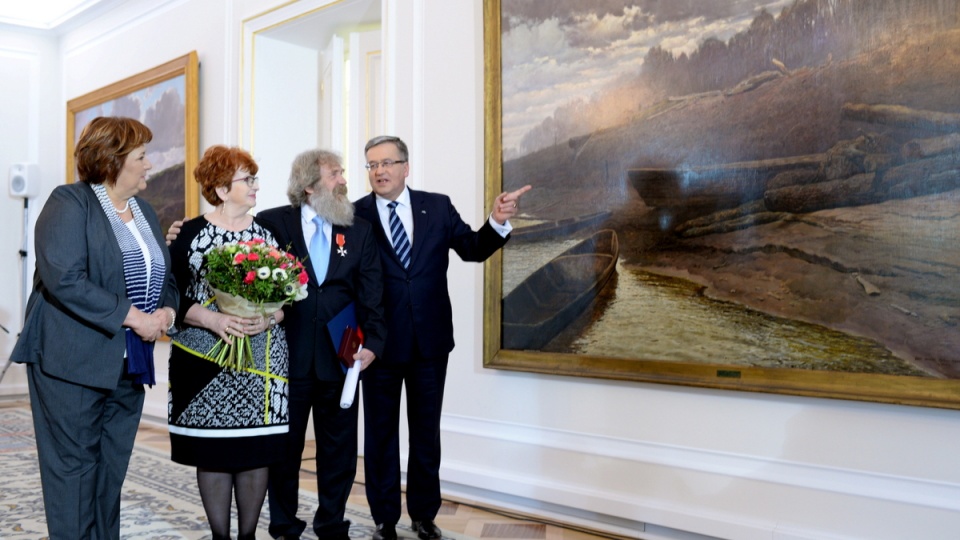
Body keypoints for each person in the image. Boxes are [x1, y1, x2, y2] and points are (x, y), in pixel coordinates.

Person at [354, 135, 531, 540]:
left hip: (430, 344)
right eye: (371, 165)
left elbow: (472, 248)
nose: (378, 171)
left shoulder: (437, 206)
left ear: (405, 167)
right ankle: (384, 519)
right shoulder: (353, 214)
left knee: (425, 432)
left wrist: (497, 220)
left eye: (386, 163)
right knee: (380, 435)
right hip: (377, 347)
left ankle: (422, 515)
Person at [10, 116, 178, 540]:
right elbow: (65, 278)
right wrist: (134, 317)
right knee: (73, 474)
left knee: (109, 473)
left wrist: (167, 314)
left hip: (128, 365)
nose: (149, 165)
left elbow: (165, 276)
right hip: (70, 360)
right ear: (112, 160)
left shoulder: (142, 210)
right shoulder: (69, 202)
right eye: (141, 156)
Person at [255, 148, 388, 540]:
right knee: (283, 452)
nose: (344, 180)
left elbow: (372, 294)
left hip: (343, 356)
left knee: (340, 452)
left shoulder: (358, 229)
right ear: (309, 185)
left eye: (342, 172)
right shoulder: (272, 223)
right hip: (286, 358)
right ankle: (284, 524)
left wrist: (374, 343)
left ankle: (332, 523)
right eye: (335, 174)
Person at [167, 145, 290, 540]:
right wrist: (214, 318)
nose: (255, 186)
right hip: (201, 356)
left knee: (256, 450)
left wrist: (267, 316)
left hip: (262, 358)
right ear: (220, 189)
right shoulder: (187, 233)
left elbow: (291, 296)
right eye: (247, 179)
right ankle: (221, 537)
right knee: (214, 451)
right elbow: (169, 294)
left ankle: (248, 536)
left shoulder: (269, 233)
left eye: (254, 178)